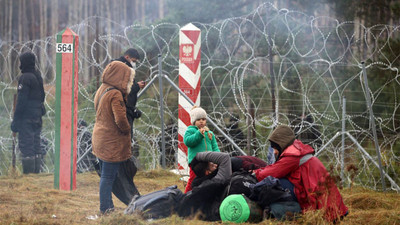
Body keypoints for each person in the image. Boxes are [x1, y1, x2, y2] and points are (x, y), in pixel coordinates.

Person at [253, 125, 348, 221]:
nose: (274, 152)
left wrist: (254, 173)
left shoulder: (292, 156)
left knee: (274, 183)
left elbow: (270, 173)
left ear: (281, 144)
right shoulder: (296, 150)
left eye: (275, 147)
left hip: (327, 209)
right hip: (331, 204)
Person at [92, 61, 136, 214]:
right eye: (128, 78)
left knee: (106, 175)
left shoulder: (103, 88)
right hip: (111, 141)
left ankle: (108, 206)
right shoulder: (115, 94)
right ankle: (106, 208)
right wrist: (127, 130)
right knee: (108, 177)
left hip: (100, 137)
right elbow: (120, 119)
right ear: (120, 77)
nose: (129, 82)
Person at [11, 51, 46, 174]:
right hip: (37, 116)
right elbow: (42, 96)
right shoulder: (37, 76)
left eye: (21, 62)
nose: (20, 65)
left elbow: (21, 101)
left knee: (26, 146)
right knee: (36, 144)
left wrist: (16, 121)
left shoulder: (25, 78)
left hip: (26, 118)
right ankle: (36, 176)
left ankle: (29, 177)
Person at [183, 106, 220, 193]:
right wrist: (198, 134)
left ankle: (200, 194)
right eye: (198, 119)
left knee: (206, 179)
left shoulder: (209, 133)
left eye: (203, 119)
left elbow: (214, 146)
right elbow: (188, 142)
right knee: (193, 179)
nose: (201, 121)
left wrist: (217, 157)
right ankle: (185, 195)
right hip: (196, 162)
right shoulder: (191, 130)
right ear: (193, 121)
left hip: (208, 162)